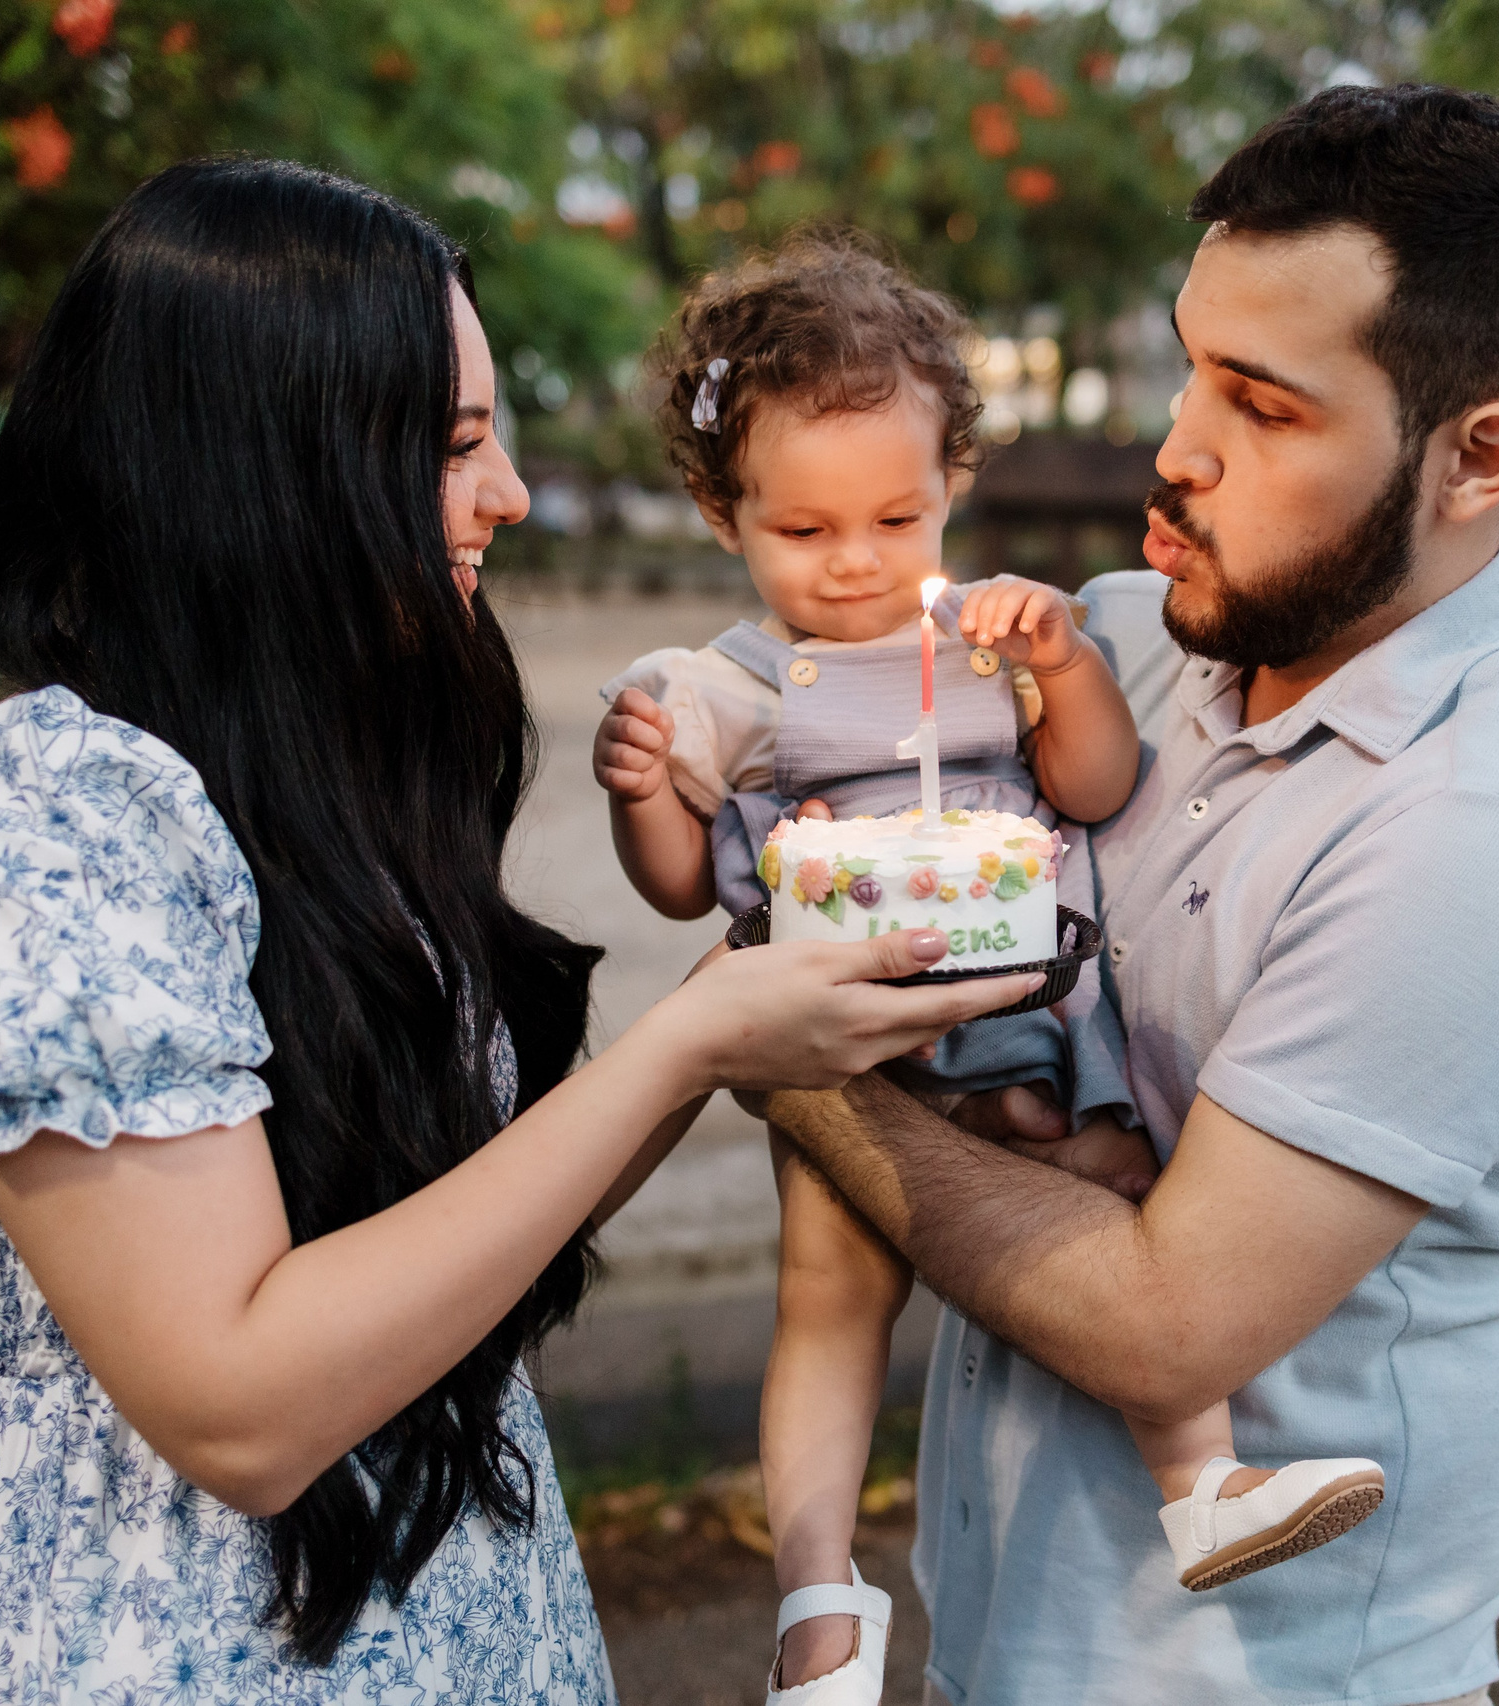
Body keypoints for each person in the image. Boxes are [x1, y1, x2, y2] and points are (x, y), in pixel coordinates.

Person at [0, 159, 1033, 1704]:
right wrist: (694, 1041)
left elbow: (466, 1231)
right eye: (457, 444)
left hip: (469, 1626)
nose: (512, 492)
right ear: (273, 469)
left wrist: (772, 975)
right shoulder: (25, 821)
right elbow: (241, 1409)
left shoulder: (317, 777)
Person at [756, 85, 1499, 1706]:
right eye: (1190, 362)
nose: (1180, 445)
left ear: (1477, 456)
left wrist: (783, 1062)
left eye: (1264, 403)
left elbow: (1172, 1330)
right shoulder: (1125, 640)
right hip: (996, 1636)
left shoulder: (1486, 835)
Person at [591, 237, 1383, 1706]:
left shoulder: (991, 637)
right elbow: (677, 881)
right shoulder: (750, 684)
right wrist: (648, 782)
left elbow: (1095, 784)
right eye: (804, 529)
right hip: (851, 1034)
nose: (855, 560)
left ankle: (1204, 1485)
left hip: (1024, 1014)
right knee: (829, 1297)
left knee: (1133, 1197)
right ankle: (819, 1608)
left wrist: (1066, 662)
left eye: (896, 513)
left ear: (954, 476)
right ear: (725, 515)